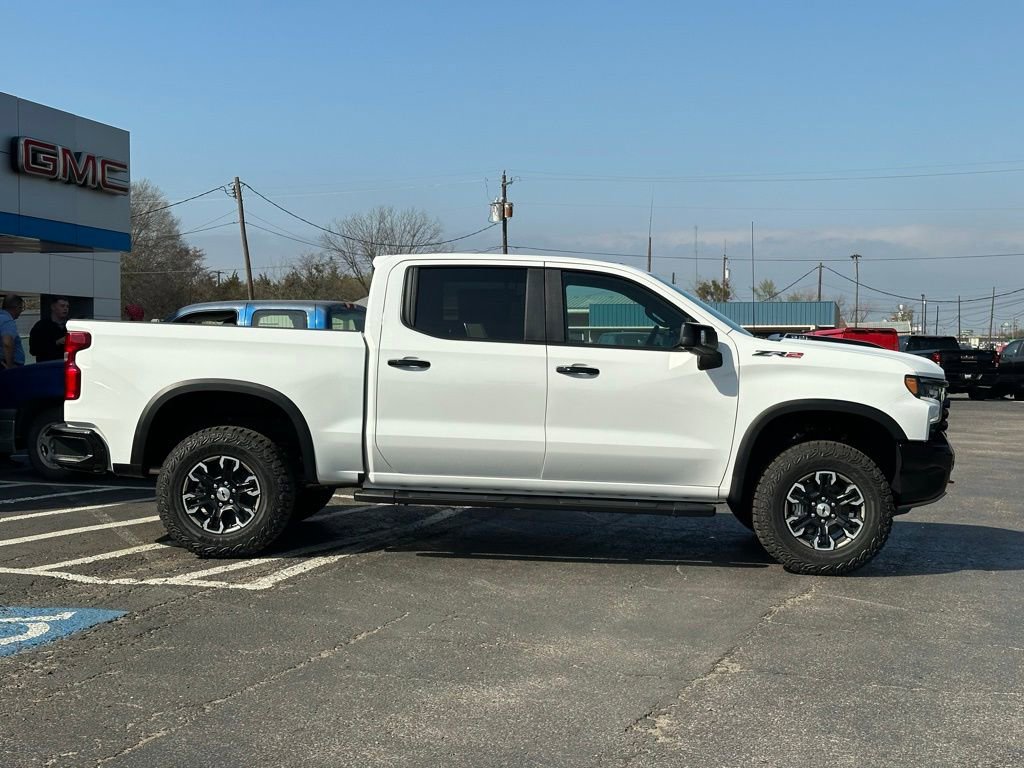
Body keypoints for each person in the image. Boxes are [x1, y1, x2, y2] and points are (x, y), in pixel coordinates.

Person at [29, 296, 70, 362]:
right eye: (62, 306)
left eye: (67, 306)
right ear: (53, 307)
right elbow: (33, 350)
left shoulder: (71, 325)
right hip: (47, 366)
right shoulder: (41, 326)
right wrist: (57, 342)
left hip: (67, 366)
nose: (65, 309)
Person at [0, 295, 25, 369]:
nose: (21, 311)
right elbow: (7, 343)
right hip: (8, 366)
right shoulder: (7, 320)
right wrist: (10, 366)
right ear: (17, 307)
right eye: (21, 308)